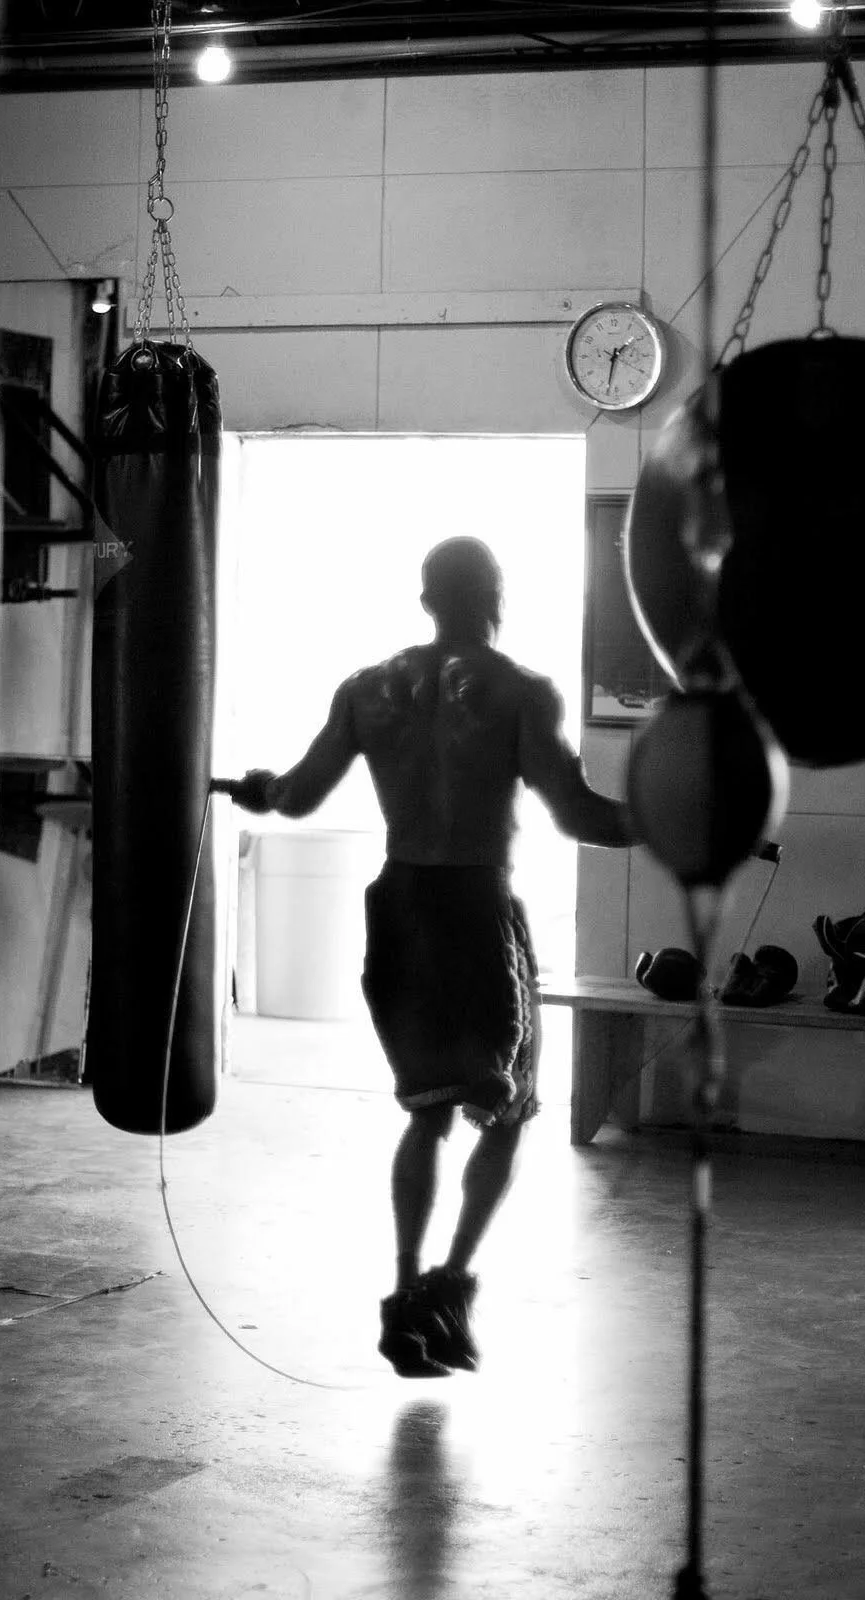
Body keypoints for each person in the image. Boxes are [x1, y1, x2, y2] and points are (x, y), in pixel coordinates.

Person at [228, 537, 637, 1377]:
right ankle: (447, 1284)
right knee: (510, 1109)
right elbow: (577, 814)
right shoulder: (521, 693)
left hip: (400, 906)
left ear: (424, 601)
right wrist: (670, 820)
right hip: (473, 907)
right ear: (497, 597)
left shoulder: (365, 690)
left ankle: (405, 1293)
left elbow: (296, 798)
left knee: (426, 1110)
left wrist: (260, 787)